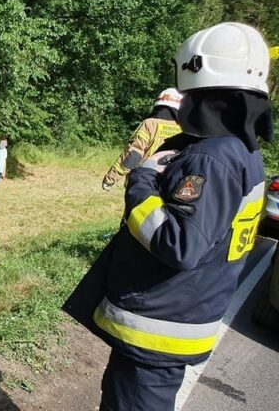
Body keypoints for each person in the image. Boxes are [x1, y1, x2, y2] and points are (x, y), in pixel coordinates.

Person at [63, 22, 273, 411]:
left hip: (160, 327)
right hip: (181, 316)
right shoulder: (242, 151)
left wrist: (141, 182)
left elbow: (180, 244)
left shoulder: (211, 159)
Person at [102, 88, 184, 190]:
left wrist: (111, 178)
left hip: (144, 183)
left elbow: (133, 154)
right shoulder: (183, 129)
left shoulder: (149, 124)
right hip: (171, 185)